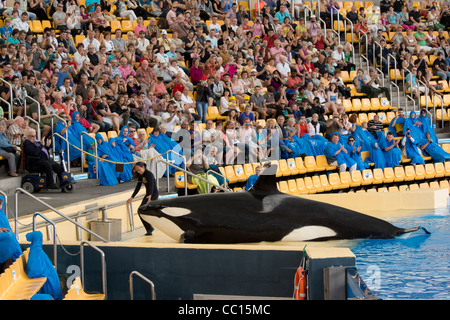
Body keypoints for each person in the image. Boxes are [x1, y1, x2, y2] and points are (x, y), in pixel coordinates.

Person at [127, 162, 159, 235]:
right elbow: (138, 186)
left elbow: (152, 186)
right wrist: (132, 197)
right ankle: (149, 228)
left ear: (143, 167)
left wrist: (150, 195)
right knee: (140, 210)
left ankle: (152, 226)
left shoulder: (149, 174)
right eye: (137, 170)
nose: (138, 172)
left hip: (153, 194)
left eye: (139, 170)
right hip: (148, 194)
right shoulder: (140, 175)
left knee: (146, 210)